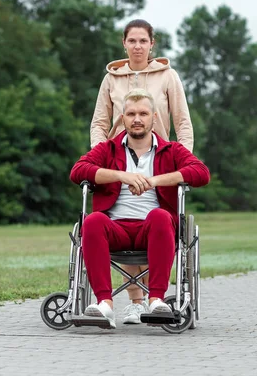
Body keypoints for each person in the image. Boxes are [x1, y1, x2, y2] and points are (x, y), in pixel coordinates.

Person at [70, 88, 209, 329]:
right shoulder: (108, 150)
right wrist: (122, 175)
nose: (137, 119)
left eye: (143, 113)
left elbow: (201, 173)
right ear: (122, 118)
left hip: (154, 229)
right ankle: (104, 304)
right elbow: (78, 171)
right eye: (131, 113)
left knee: (160, 216)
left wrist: (155, 180)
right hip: (115, 228)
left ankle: (156, 300)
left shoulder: (171, 150)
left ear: (154, 117)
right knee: (92, 221)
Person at [90, 19, 195, 324]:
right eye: (132, 40)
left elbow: (183, 122)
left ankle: (151, 298)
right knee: (120, 213)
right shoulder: (112, 79)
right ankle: (135, 301)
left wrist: (181, 160)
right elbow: (99, 122)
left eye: (143, 41)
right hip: (118, 159)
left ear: (152, 45)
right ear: (124, 44)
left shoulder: (168, 77)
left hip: (158, 158)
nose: (137, 46)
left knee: (152, 215)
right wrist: (100, 156)